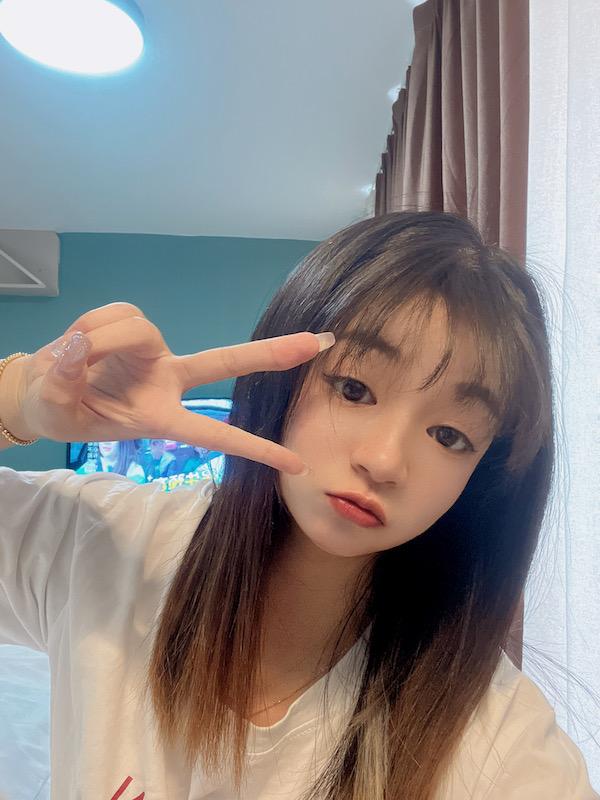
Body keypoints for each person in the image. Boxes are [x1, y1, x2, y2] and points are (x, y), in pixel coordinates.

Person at [0, 211, 597, 800]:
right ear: (284, 380)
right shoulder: (106, 543)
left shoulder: (501, 747)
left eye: (449, 435)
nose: (384, 460)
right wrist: (18, 400)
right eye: (355, 388)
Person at [76, 439, 146, 483]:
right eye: (102, 436)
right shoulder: (88, 467)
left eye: (112, 437)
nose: (106, 442)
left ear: (124, 442)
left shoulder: (135, 471)